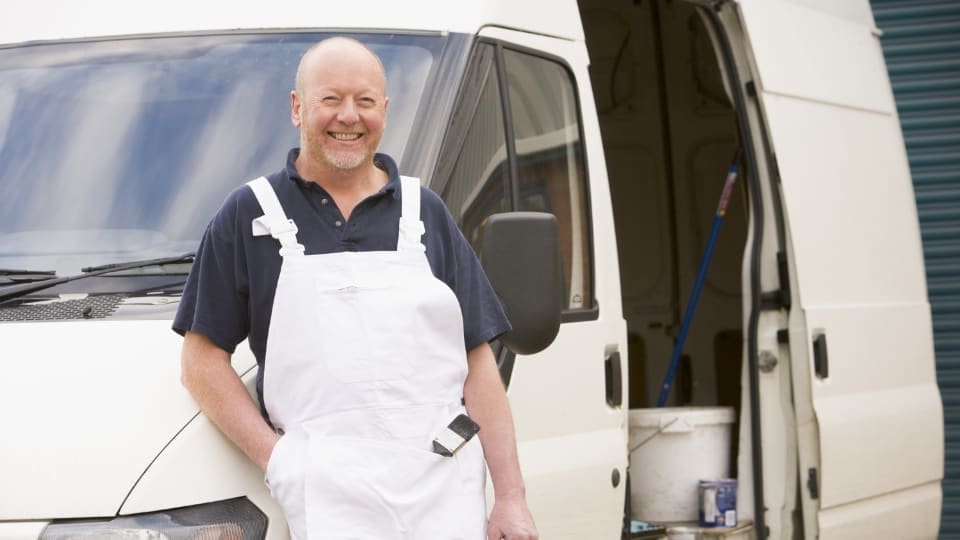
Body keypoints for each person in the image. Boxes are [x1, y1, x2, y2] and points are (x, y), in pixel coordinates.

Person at [174, 37, 538, 540]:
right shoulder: (249, 213)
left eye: (364, 101)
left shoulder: (424, 211)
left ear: (384, 111)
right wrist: (277, 459)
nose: (349, 116)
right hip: (326, 502)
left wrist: (512, 499)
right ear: (297, 108)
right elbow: (201, 362)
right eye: (331, 99)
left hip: (445, 495)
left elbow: (477, 364)